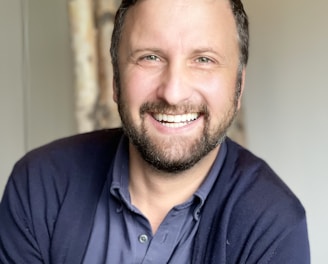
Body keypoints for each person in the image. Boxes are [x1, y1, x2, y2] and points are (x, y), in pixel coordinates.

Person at [0, 0, 310, 263]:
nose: (173, 93)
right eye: (150, 57)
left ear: (239, 86)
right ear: (116, 79)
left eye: (203, 59)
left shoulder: (273, 226)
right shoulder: (39, 185)